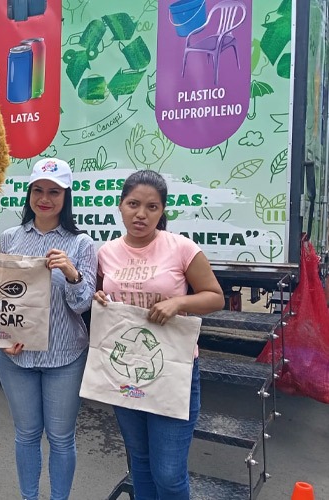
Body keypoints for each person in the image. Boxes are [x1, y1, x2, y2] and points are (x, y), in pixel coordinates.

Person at [94, 170, 224, 500]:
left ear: (162, 211)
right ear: (120, 206)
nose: (142, 214)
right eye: (134, 204)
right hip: (124, 369)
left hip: (172, 370)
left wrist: (179, 303)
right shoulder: (106, 253)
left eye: (152, 207)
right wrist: (99, 300)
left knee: (168, 472)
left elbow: (214, 296)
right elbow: (98, 295)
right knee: (140, 463)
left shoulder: (181, 248)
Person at [0, 158, 97, 500]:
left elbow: (83, 305)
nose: (45, 198)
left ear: (67, 197)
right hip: (16, 360)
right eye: (38, 190)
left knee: (61, 438)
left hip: (64, 357)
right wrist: (1, 338)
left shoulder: (81, 245)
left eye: (54, 191)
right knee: (25, 434)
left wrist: (71, 273)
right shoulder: (9, 239)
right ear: (29, 194)